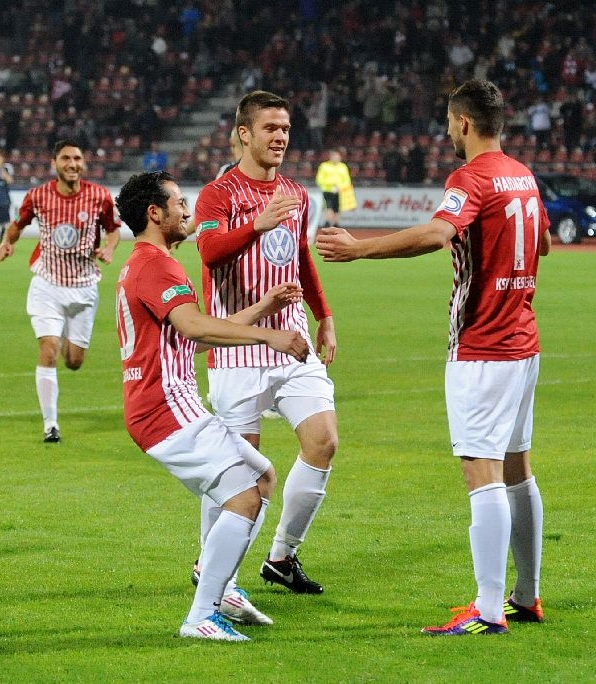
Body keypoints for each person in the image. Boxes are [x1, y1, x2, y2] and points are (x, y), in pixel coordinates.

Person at [316, 79, 550, 635]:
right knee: (517, 468)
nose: (447, 132)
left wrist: (359, 249)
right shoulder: (522, 174)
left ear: (464, 123)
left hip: (483, 346)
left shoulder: (470, 177)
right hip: (523, 341)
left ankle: (488, 611)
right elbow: (541, 244)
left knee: (481, 473)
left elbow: (438, 234)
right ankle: (526, 595)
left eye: (449, 123)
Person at [114, 170, 309, 641]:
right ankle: (202, 615)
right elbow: (196, 328)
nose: (188, 210)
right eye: (179, 202)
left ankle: (222, 590)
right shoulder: (156, 266)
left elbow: (191, 337)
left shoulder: (145, 263)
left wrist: (262, 308)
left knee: (262, 477)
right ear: (154, 213)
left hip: (166, 403)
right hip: (164, 407)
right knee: (244, 497)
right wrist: (269, 336)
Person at [193, 90, 339, 596]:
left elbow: (300, 256)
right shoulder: (219, 195)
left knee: (323, 441)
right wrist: (257, 225)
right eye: (270, 128)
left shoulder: (296, 194)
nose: (280, 137)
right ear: (244, 134)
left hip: (292, 341)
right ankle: (211, 564)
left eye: (285, 129)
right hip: (237, 346)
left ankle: (281, 556)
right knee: (238, 470)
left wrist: (324, 316)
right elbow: (210, 252)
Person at [0, 139, 121, 443]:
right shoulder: (38, 196)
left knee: (74, 362)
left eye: (77, 158)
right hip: (47, 285)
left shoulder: (100, 196)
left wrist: (109, 248)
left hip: (84, 288)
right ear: (54, 163)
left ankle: (63, 332)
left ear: (83, 163)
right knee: (49, 349)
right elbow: (18, 224)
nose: (72, 164)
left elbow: (113, 229)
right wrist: (7, 242)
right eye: (66, 158)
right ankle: (50, 424)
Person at [315, 148, 352, 227]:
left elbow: (347, 180)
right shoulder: (324, 166)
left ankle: (336, 223)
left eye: (337, 157)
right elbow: (319, 179)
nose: (336, 158)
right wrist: (332, 184)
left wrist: (340, 187)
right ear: (331, 157)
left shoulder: (343, 167)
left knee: (337, 207)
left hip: (340, 191)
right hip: (327, 191)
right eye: (334, 157)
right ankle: (328, 222)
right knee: (328, 206)